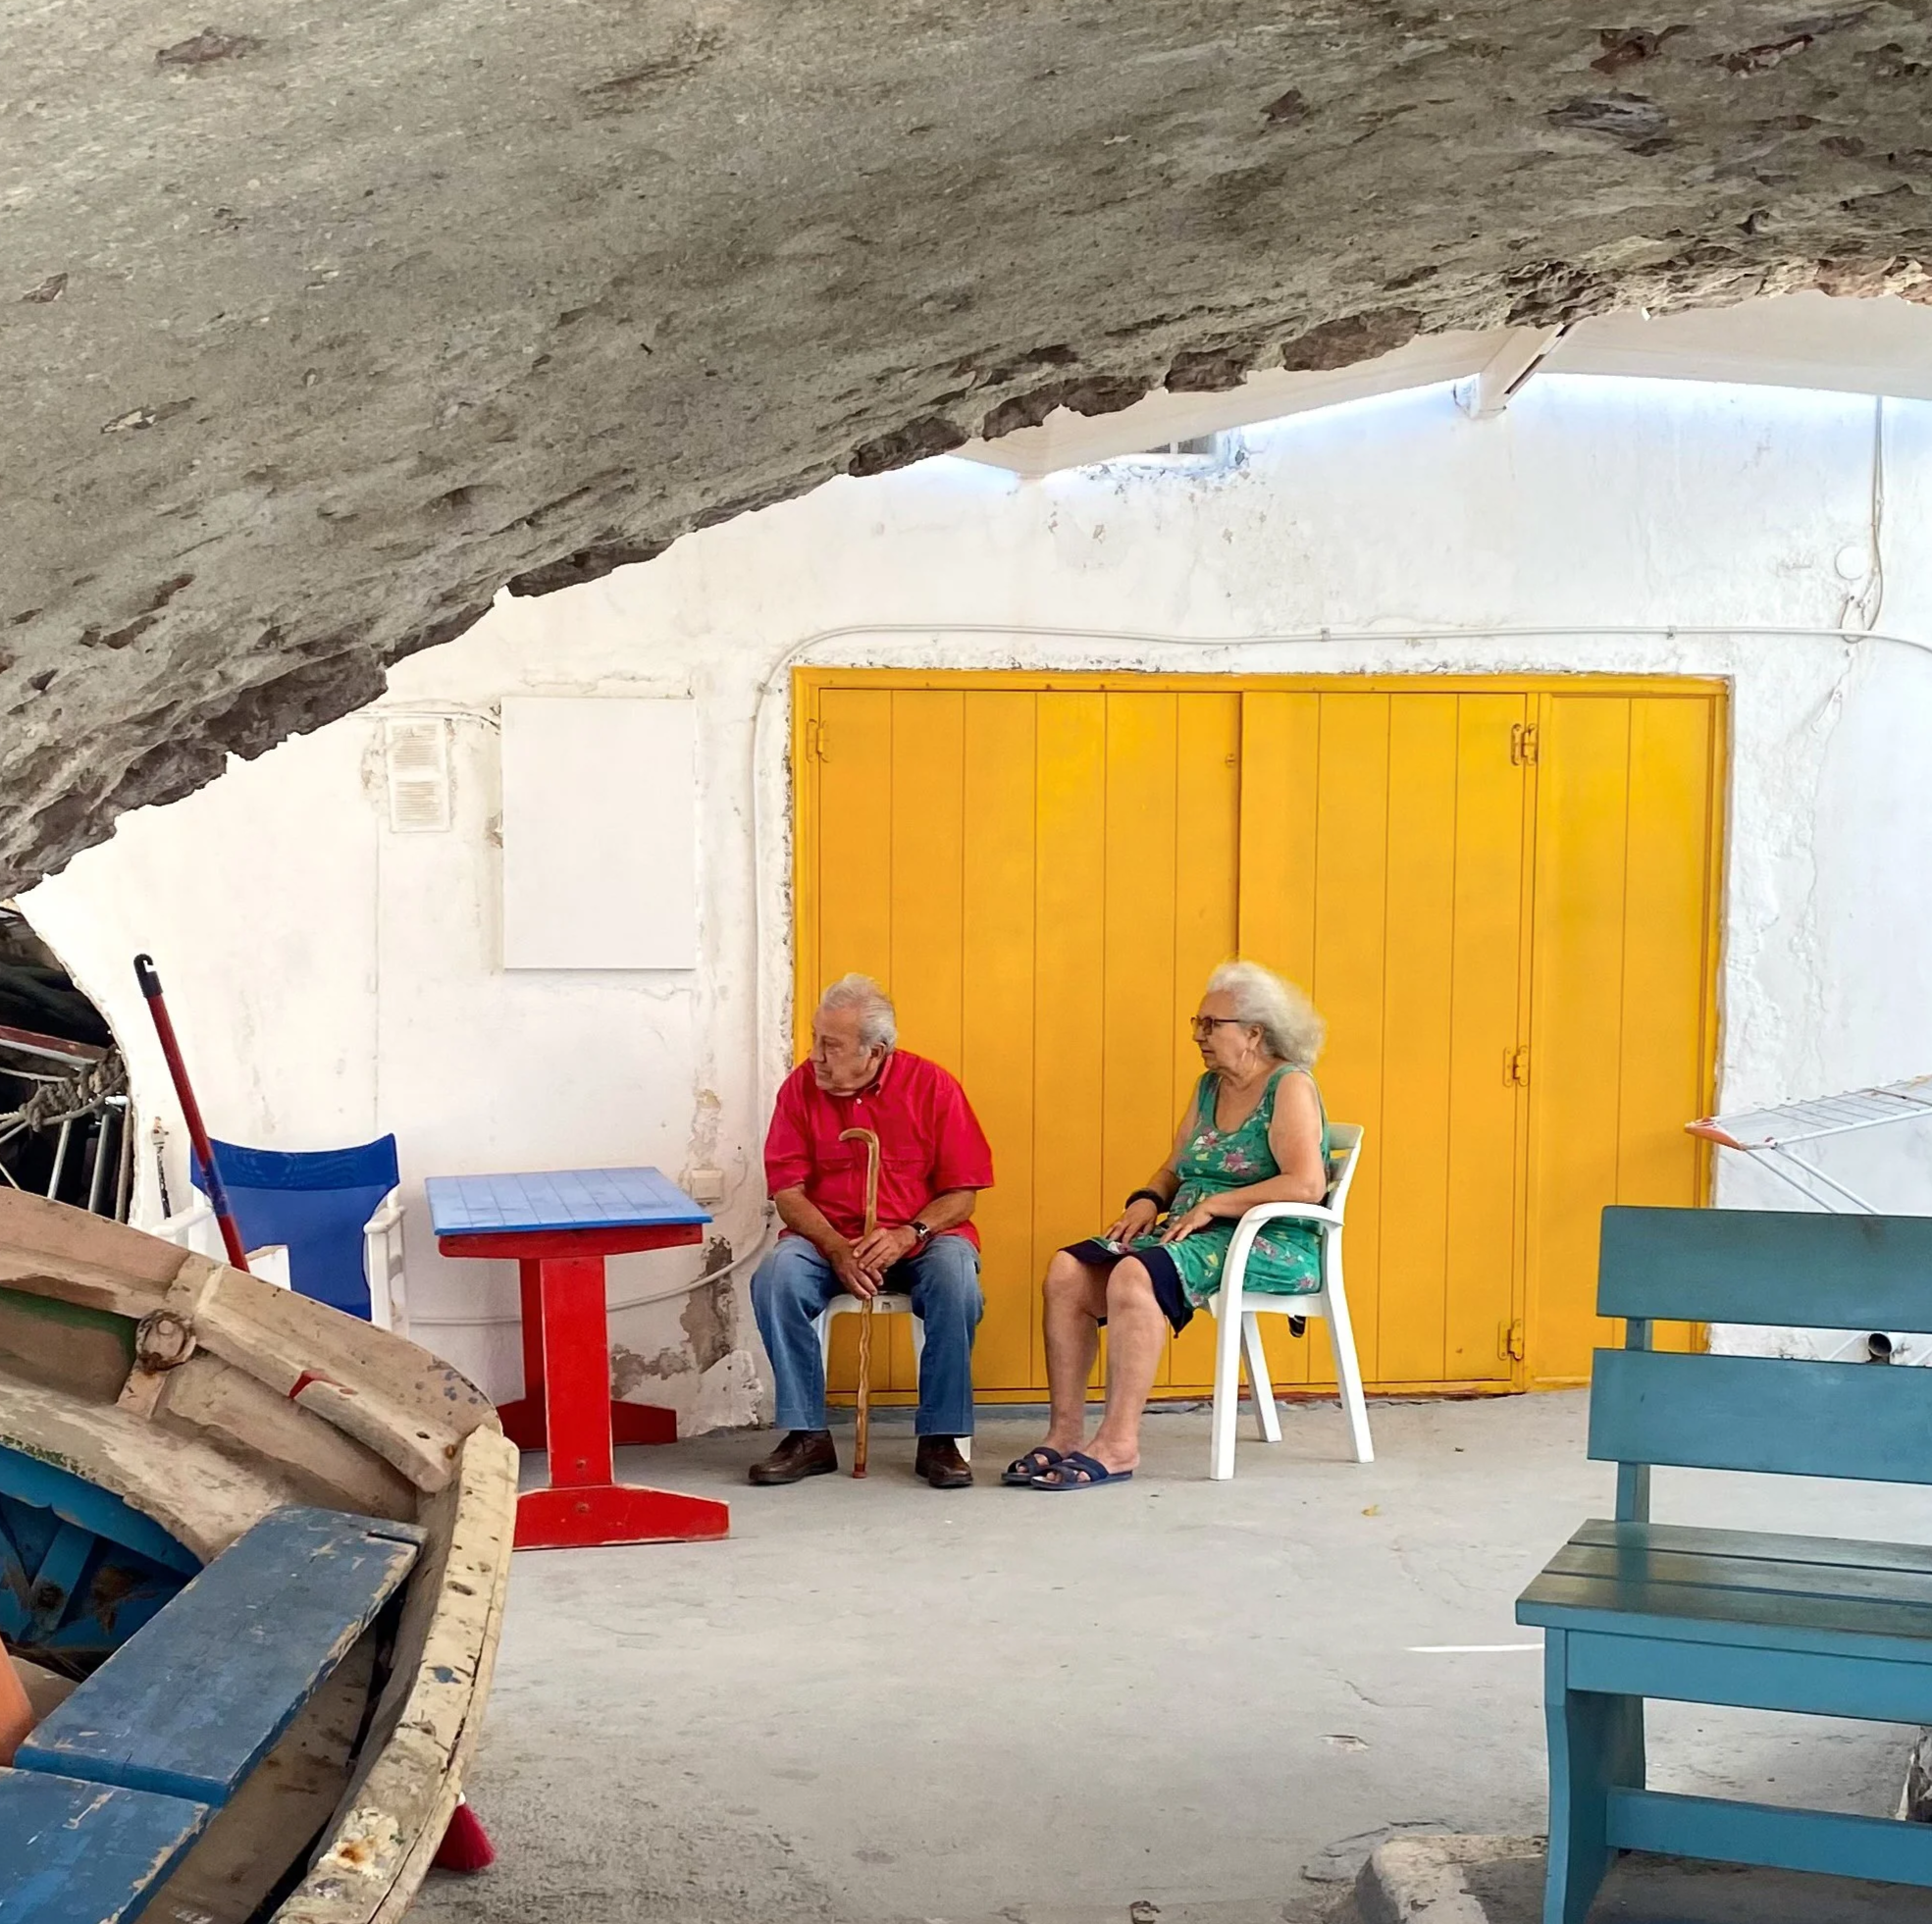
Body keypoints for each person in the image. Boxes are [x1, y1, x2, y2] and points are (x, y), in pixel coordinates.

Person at [1008, 960, 1330, 1490]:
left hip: (1267, 1239)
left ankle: (1118, 1443)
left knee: (1135, 1275)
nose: (1200, 1035)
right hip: (1193, 1230)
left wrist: (1216, 1205)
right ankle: (1065, 1432)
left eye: (1212, 1024)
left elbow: (1305, 1185)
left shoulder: (1289, 1086)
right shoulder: (1210, 1087)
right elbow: (1176, 1166)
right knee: (1067, 1270)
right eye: (1197, 1023)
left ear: (1254, 1033)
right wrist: (1147, 1201)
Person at [749, 974, 994, 1488]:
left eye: (830, 1045)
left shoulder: (933, 1087)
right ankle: (806, 1434)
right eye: (815, 1038)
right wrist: (836, 1248)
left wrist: (911, 1232)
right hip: (827, 1240)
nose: (814, 1055)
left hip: (919, 1239)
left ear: (875, 1051)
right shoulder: (799, 1089)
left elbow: (963, 1192)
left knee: (955, 1276)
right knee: (777, 1277)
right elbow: (788, 1192)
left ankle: (940, 1438)